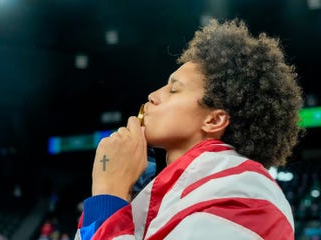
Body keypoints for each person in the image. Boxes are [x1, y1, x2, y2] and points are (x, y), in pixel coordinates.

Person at [74, 18, 304, 240]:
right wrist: (127, 197)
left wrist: (108, 195)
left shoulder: (243, 194)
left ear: (214, 120)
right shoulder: (177, 194)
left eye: (174, 89)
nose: (152, 96)